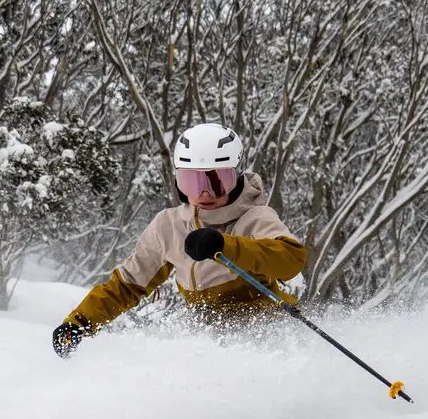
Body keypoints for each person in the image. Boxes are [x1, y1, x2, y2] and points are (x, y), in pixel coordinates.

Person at [52, 123, 307, 358]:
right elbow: (128, 284)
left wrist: (226, 246)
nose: (204, 194)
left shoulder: (255, 218)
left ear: (237, 176)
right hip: (204, 338)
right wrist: (79, 323)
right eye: (192, 182)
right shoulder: (170, 225)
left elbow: (291, 259)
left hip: (264, 333)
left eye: (217, 181)